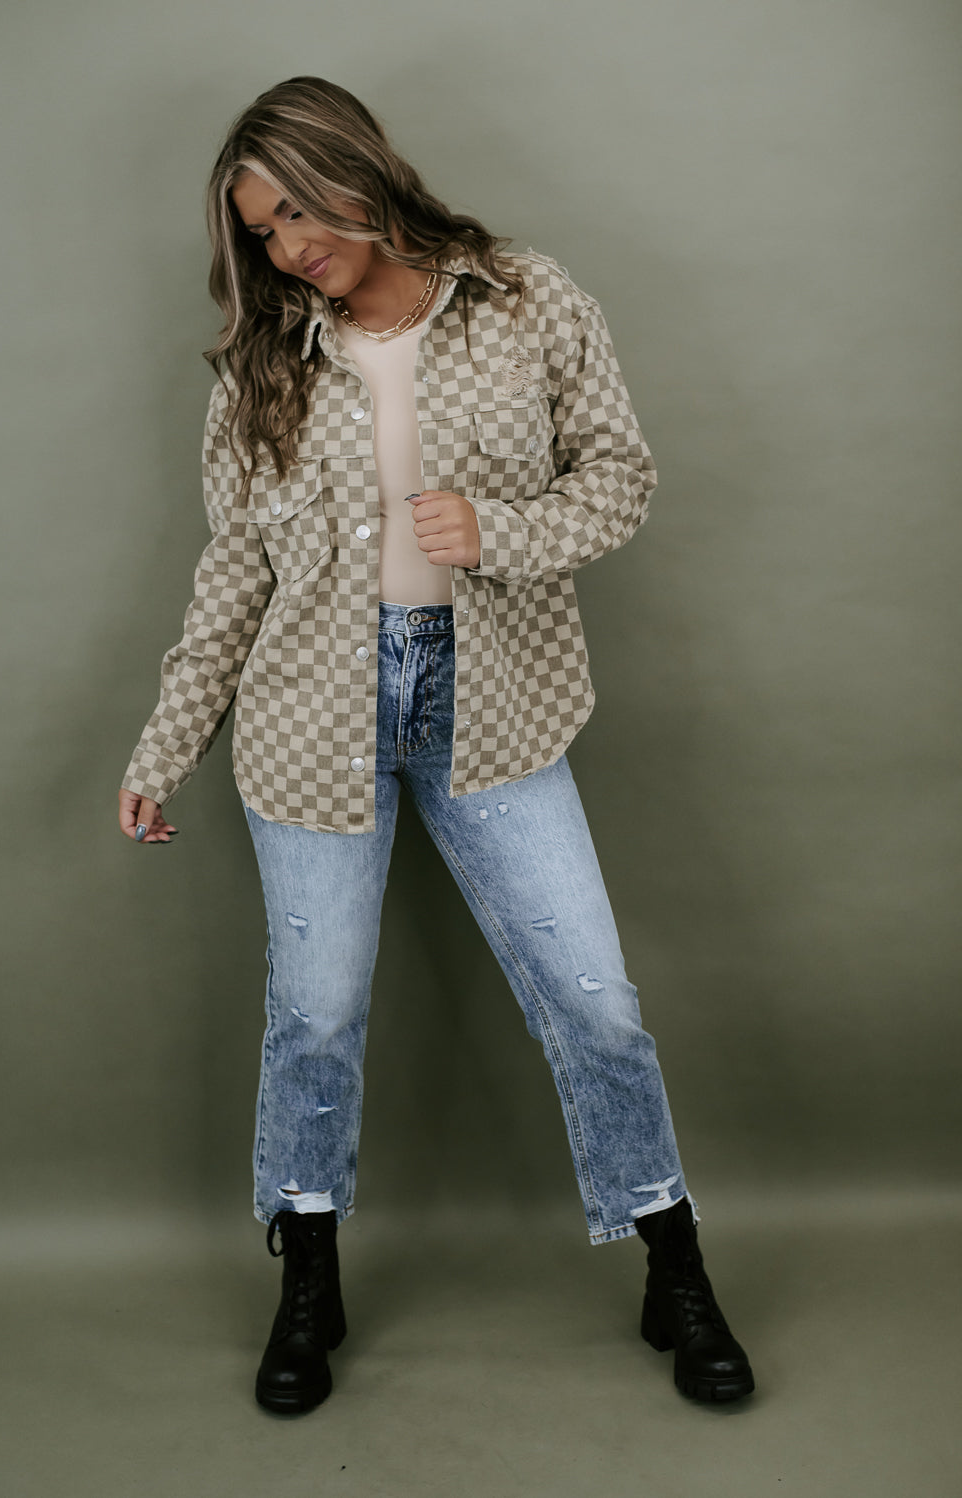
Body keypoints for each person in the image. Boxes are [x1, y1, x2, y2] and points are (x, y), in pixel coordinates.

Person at [118, 75, 754, 1413]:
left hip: (496, 706)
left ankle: (676, 1267)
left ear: (357, 170)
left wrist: (499, 531)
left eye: (299, 210)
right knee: (315, 1016)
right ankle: (309, 1278)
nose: (289, 248)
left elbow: (622, 474)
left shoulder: (525, 299)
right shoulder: (265, 366)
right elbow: (233, 574)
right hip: (309, 720)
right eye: (262, 231)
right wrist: (162, 748)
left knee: (596, 1001)